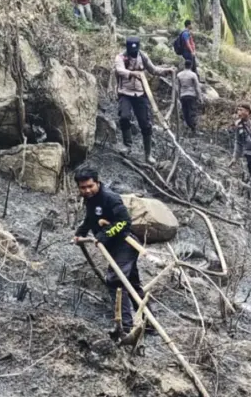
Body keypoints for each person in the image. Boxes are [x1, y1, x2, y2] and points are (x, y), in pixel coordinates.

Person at [72, 167, 144, 334]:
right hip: (113, 246)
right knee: (133, 285)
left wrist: (103, 236)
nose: (87, 190)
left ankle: (125, 327)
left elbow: (124, 222)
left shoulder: (110, 198)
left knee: (115, 280)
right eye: (83, 188)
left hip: (126, 245)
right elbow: (91, 218)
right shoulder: (90, 199)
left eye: (90, 186)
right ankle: (149, 325)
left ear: (97, 183)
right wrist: (80, 233)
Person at [114, 37, 175, 164]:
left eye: (135, 51)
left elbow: (153, 70)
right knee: (124, 117)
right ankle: (127, 146)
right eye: (132, 51)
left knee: (146, 124)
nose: (133, 54)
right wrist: (132, 74)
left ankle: (148, 155)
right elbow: (119, 70)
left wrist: (166, 71)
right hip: (125, 93)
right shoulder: (120, 57)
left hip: (141, 94)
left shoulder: (143, 56)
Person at [177, 58, 203, 133]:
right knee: (192, 112)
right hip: (191, 95)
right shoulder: (193, 75)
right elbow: (197, 87)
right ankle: (193, 129)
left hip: (183, 95)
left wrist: (178, 97)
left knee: (185, 112)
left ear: (184, 65)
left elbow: (178, 87)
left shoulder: (179, 75)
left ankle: (188, 127)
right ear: (191, 66)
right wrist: (200, 97)